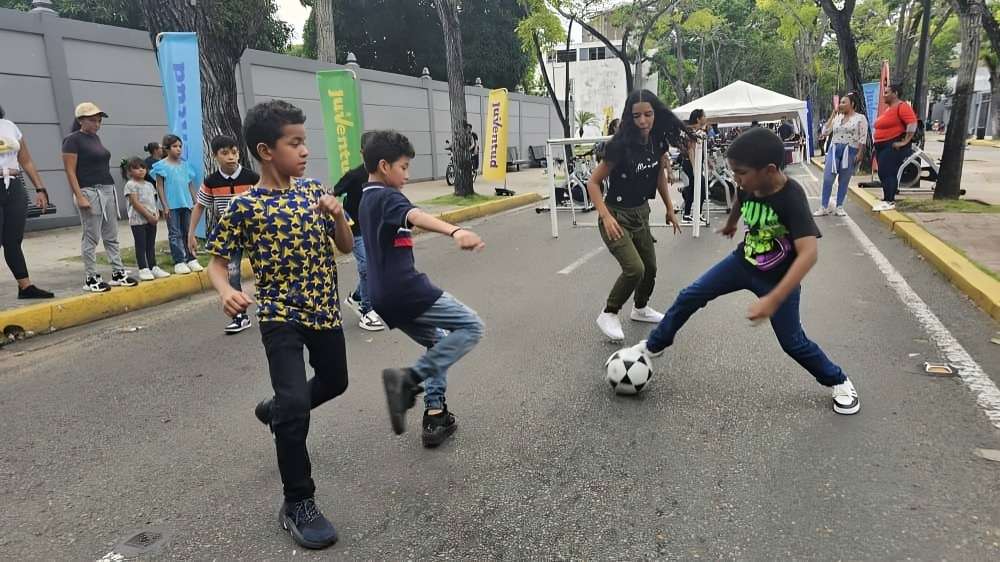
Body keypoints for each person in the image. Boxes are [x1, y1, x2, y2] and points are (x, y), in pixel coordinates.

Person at [206, 100, 353, 550]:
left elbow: (346, 247)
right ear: (266, 151)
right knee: (295, 406)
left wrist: (337, 216)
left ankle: (276, 410)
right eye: (295, 143)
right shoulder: (244, 207)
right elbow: (217, 263)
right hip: (279, 316)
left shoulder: (314, 192)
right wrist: (225, 291)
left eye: (305, 141)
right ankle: (298, 502)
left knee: (336, 381)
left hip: (324, 309)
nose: (305, 151)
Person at [629, 128, 859, 416]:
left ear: (770, 170)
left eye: (741, 173)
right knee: (690, 295)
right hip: (744, 262)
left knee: (793, 343)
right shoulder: (748, 184)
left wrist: (774, 299)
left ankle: (839, 380)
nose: (736, 179)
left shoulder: (792, 197)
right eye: (734, 172)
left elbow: (809, 253)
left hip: (778, 280)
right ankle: (655, 345)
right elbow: (740, 198)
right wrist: (732, 223)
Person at [359, 130, 486, 448]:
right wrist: (455, 231)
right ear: (384, 166)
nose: (407, 174)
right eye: (403, 167)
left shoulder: (367, 197)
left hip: (382, 298)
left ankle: (435, 412)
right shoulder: (387, 197)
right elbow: (414, 215)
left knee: (437, 341)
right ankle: (409, 380)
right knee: (471, 327)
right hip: (407, 291)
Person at [585, 90, 686, 342]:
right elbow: (593, 182)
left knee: (650, 268)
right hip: (616, 215)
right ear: (629, 117)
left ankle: (640, 308)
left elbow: (658, 175)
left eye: (648, 114)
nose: (643, 121)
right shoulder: (619, 146)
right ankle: (609, 312)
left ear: (655, 114)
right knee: (634, 269)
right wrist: (606, 216)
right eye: (637, 116)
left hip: (641, 213)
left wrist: (670, 208)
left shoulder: (657, 141)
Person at [62, 102, 138, 292]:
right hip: (89, 190)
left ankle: (118, 272)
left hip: (106, 188)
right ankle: (91, 277)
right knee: (91, 236)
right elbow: (70, 171)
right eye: (93, 120)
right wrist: (79, 196)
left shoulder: (95, 138)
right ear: (81, 120)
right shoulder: (72, 140)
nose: (97, 124)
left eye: (99, 121)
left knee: (111, 234)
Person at [188, 134, 259, 335]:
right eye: (225, 153)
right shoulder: (211, 181)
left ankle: (268, 306)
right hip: (230, 236)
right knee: (232, 275)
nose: (231, 157)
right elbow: (199, 206)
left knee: (264, 271)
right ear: (215, 155)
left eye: (234, 152)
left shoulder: (252, 178)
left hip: (254, 233)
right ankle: (240, 316)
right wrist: (191, 233)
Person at [333, 131, 385, 332]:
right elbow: (333, 193)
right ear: (362, 153)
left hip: (375, 229)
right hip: (356, 230)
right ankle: (366, 310)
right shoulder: (354, 176)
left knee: (375, 267)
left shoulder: (384, 176)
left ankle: (356, 297)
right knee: (367, 267)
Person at [0, 105, 54, 299]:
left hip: (14, 185)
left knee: (13, 240)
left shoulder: (9, 126)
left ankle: (25, 287)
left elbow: (26, 160)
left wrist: (40, 189)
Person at [151, 134, 202, 274]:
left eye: (180, 146)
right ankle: (179, 261)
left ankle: (191, 258)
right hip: (171, 205)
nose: (178, 149)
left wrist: (196, 201)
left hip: (186, 203)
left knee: (188, 231)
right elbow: (159, 186)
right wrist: (165, 205)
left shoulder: (185, 166)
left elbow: (190, 184)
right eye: (175, 146)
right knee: (174, 233)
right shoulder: (161, 166)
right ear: (167, 148)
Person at [814, 92, 868, 217]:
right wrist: (833, 115)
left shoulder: (860, 118)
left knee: (843, 180)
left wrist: (860, 153)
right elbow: (825, 132)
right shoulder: (837, 118)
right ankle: (824, 206)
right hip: (834, 150)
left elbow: (863, 137)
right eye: (840, 102)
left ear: (852, 104)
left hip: (850, 151)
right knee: (828, 178)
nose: (841, 105)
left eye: (844, 102)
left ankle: (839, 206)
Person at [122, 158, 170, 281]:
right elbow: (135, 203)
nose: (141, 170)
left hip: (152, 220)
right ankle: (143, 268)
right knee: (141, 245)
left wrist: (156, 214)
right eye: (136, 168)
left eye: (143, 167)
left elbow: (153, 201)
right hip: (138, 221)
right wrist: (148, 216)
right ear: (129, 171)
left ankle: (153, 266)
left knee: (150, 244)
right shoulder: (130, 185)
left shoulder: (149, 185)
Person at [872, 83, 917, 212]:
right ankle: (887, 198)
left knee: (887, 172)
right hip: (881, 145)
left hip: (892, 145)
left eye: (887, 92)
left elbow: (912, 123)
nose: (884, 95)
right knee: (883, 173)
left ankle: (890, 200)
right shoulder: (889, 109)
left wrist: (905, 141)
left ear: (895, 93)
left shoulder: (902, 106)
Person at [680, 108, 708, 222]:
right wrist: (694, 168)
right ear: (698, 119)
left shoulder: (696, 131)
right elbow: (691, 150)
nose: (706, 118)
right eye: (704, 116)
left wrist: (706, 162)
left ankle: (690, 214)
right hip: (690, 164)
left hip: (694, 163)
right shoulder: (691, 132)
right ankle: (694, 213)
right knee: (700, 189)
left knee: (693, 189)